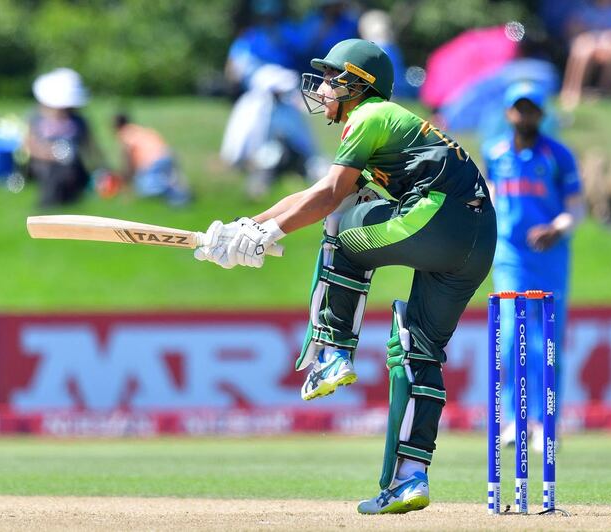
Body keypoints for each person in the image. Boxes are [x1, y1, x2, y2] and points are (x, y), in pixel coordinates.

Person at [195, 39, 497, 514]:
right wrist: (247, 227)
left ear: (360, 83)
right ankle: (409, 478)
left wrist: (270, 232)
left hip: (436, 218)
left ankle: (333, 350)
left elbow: (330, 197)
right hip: (477, 243)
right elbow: (317, 190)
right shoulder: (391, 127)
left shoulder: (370, 116)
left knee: (340, 222)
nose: (324, 88)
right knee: (418, 349)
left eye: (334, 78)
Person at [482, 82, 585, 452]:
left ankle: (546, 423)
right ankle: (515, 420)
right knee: (511, 336)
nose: (524, 116)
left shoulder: (558, 155)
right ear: (509, 113)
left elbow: (575, 208)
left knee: (547, 343)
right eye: (518, 108)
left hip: (551, 258)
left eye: (531, 109)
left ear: (542, 114)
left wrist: (557, 229)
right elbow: (492, 198)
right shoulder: (494, 153)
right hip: (510, 256)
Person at [220, 64, 326, 200]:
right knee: (268, 160)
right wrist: (238, 159)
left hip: (291, 154)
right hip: (260, 157)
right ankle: (257, 191)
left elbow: (304, 137)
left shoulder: (289, 107)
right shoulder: (251, 107)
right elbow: (240, 138)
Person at [26, 68, 107, 207]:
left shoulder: (79, 121)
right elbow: (29, 144)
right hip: (44, 165)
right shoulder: (37, 118)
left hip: (73, 166)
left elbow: (90, 147)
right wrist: (51, 155)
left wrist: (102, 169)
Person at [114, 114, 192, 206]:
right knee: (168, 179)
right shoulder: (142, 130)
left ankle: (177, 195)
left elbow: (128, 160)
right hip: (167, 155)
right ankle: (180, 191)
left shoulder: (125, 134)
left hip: (152, 161)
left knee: (145, 188)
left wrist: (126, 182)